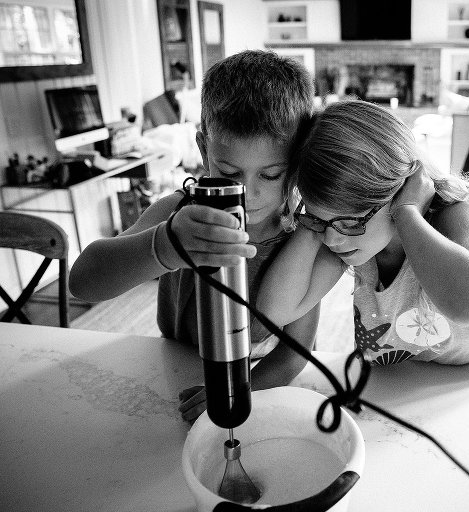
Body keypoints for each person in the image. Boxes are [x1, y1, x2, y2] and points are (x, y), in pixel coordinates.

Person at [69, 50, 318, 420]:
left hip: (262, 380)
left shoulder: (300, 234)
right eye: (229, 171)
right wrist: (164, 247)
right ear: (204, 150)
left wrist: (241, 388)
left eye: (270, 175)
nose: (248, 193)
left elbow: (296, 350)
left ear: (298, 162)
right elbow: (83, 282)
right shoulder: (179, 212)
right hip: (176, 367)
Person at [256, 100, 469, 367]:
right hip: (400, 392)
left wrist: (408, 213)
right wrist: (311, 221)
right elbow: (275, 311)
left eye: (351, 221)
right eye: (321, 219)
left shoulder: (455, 215)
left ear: (399, 189)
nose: (331, 238)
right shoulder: (348, 239)